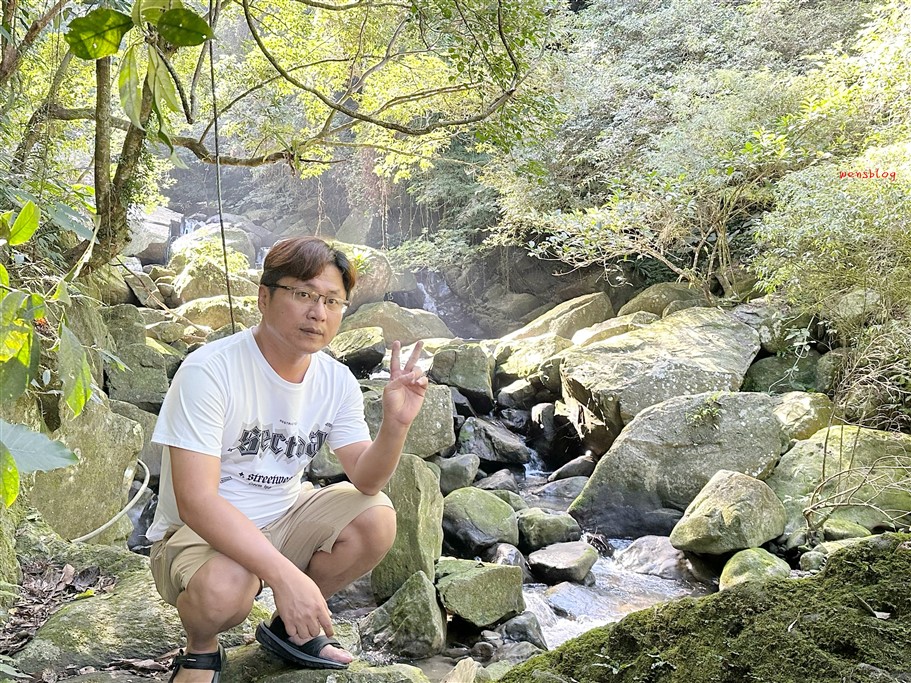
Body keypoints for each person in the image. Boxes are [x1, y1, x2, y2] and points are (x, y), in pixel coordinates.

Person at [146, 236, 428, 683]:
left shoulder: (336, 381)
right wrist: (285, 577)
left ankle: (288, 629)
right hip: (196, 534)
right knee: (226, 589)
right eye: (303, 295)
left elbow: (367, 480)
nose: (318, 312)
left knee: (376, 518)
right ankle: (201, 649)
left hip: (284, 515)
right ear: (264, 296)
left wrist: (396, 424)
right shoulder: (209, 370)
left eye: (332, 301)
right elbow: (195, 501)